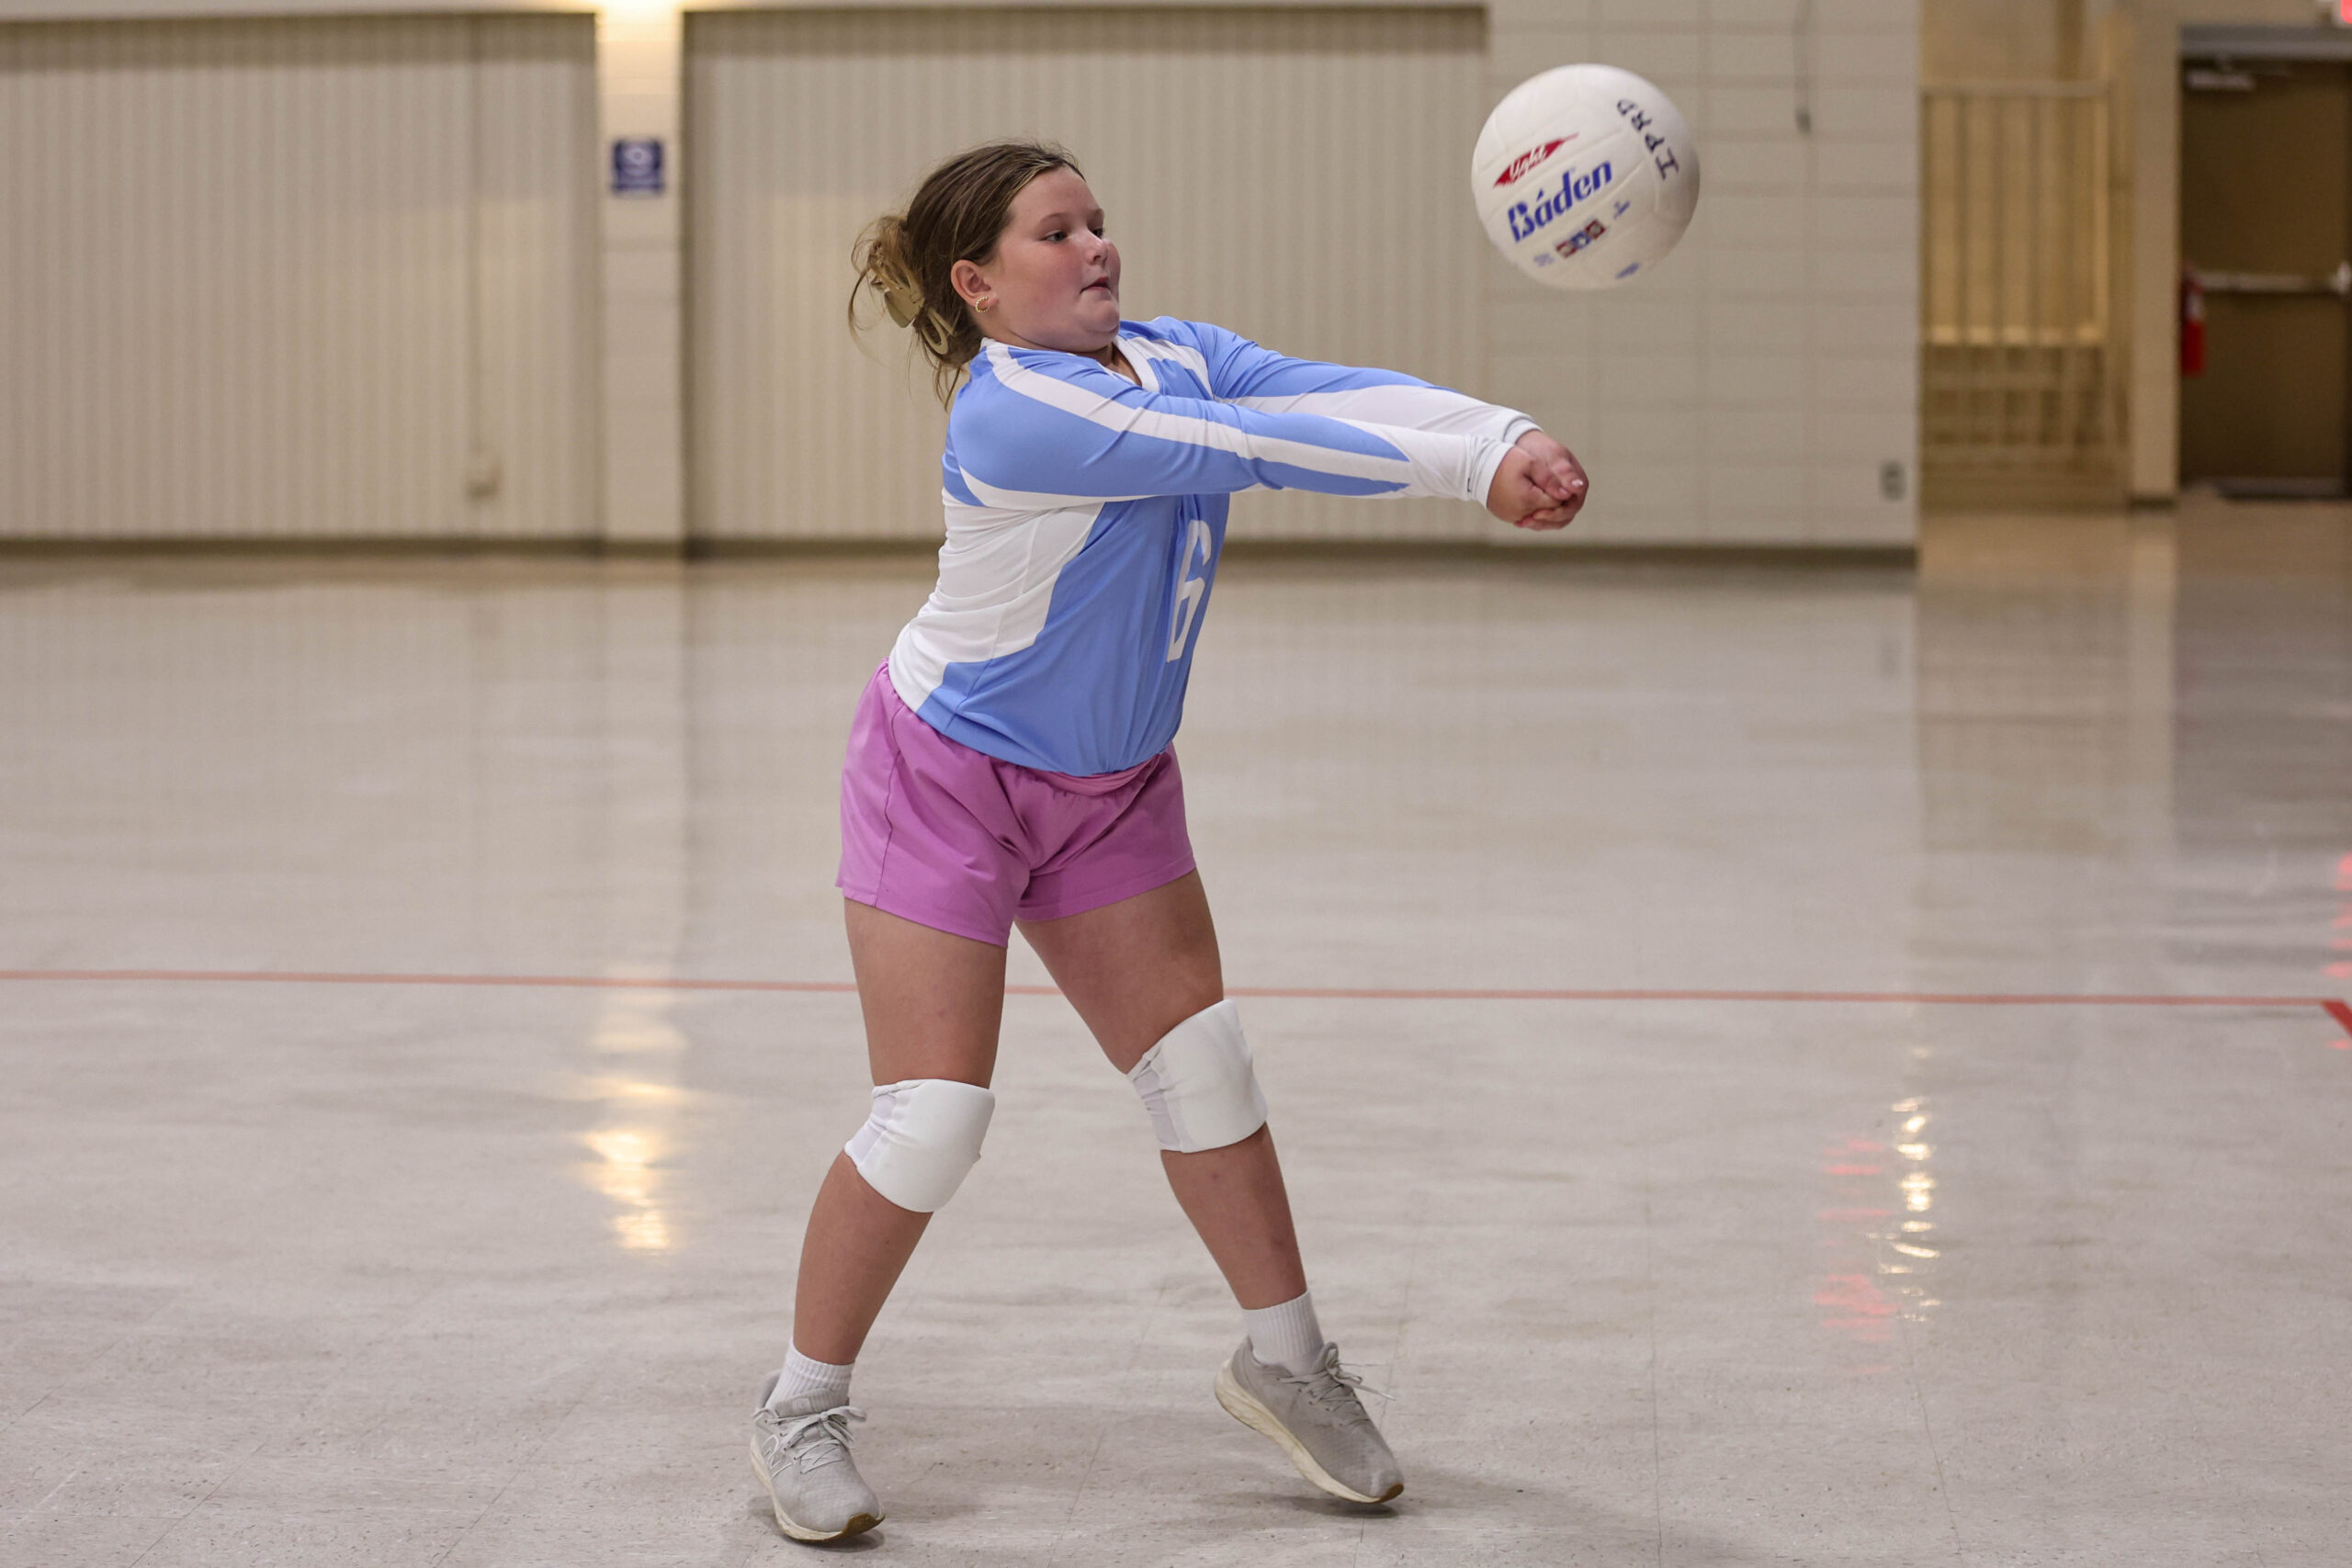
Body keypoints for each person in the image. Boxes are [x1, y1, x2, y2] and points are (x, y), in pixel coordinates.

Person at [748, 141, 1588, 1544]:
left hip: (1112, 785)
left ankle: (1289, 1364)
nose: (1097, 247)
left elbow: (1322, 393)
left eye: (1098, 221)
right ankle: (800, 1404)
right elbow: (1254, 449)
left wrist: (1501, 430)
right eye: (1055, 232)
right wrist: (1471, 473)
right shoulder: (1020, 411)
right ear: (978, 284)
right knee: (934, 1115)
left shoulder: (1172, 353)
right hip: (944, 776)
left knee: (1205, 1066)